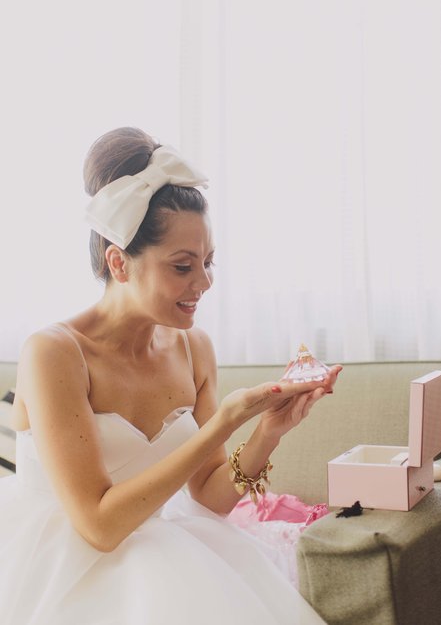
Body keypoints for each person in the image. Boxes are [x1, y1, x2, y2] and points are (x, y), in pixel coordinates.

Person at [0, 127, 342, 625]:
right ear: (119, 262)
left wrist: (269, 430)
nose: (204, 283)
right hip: (56, 565)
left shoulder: (192, 347)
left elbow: (212, 494)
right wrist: (223, 423)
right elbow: (98, 526)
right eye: (183, 266)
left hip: (157, 548)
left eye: (208, 262)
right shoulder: (53, 353)